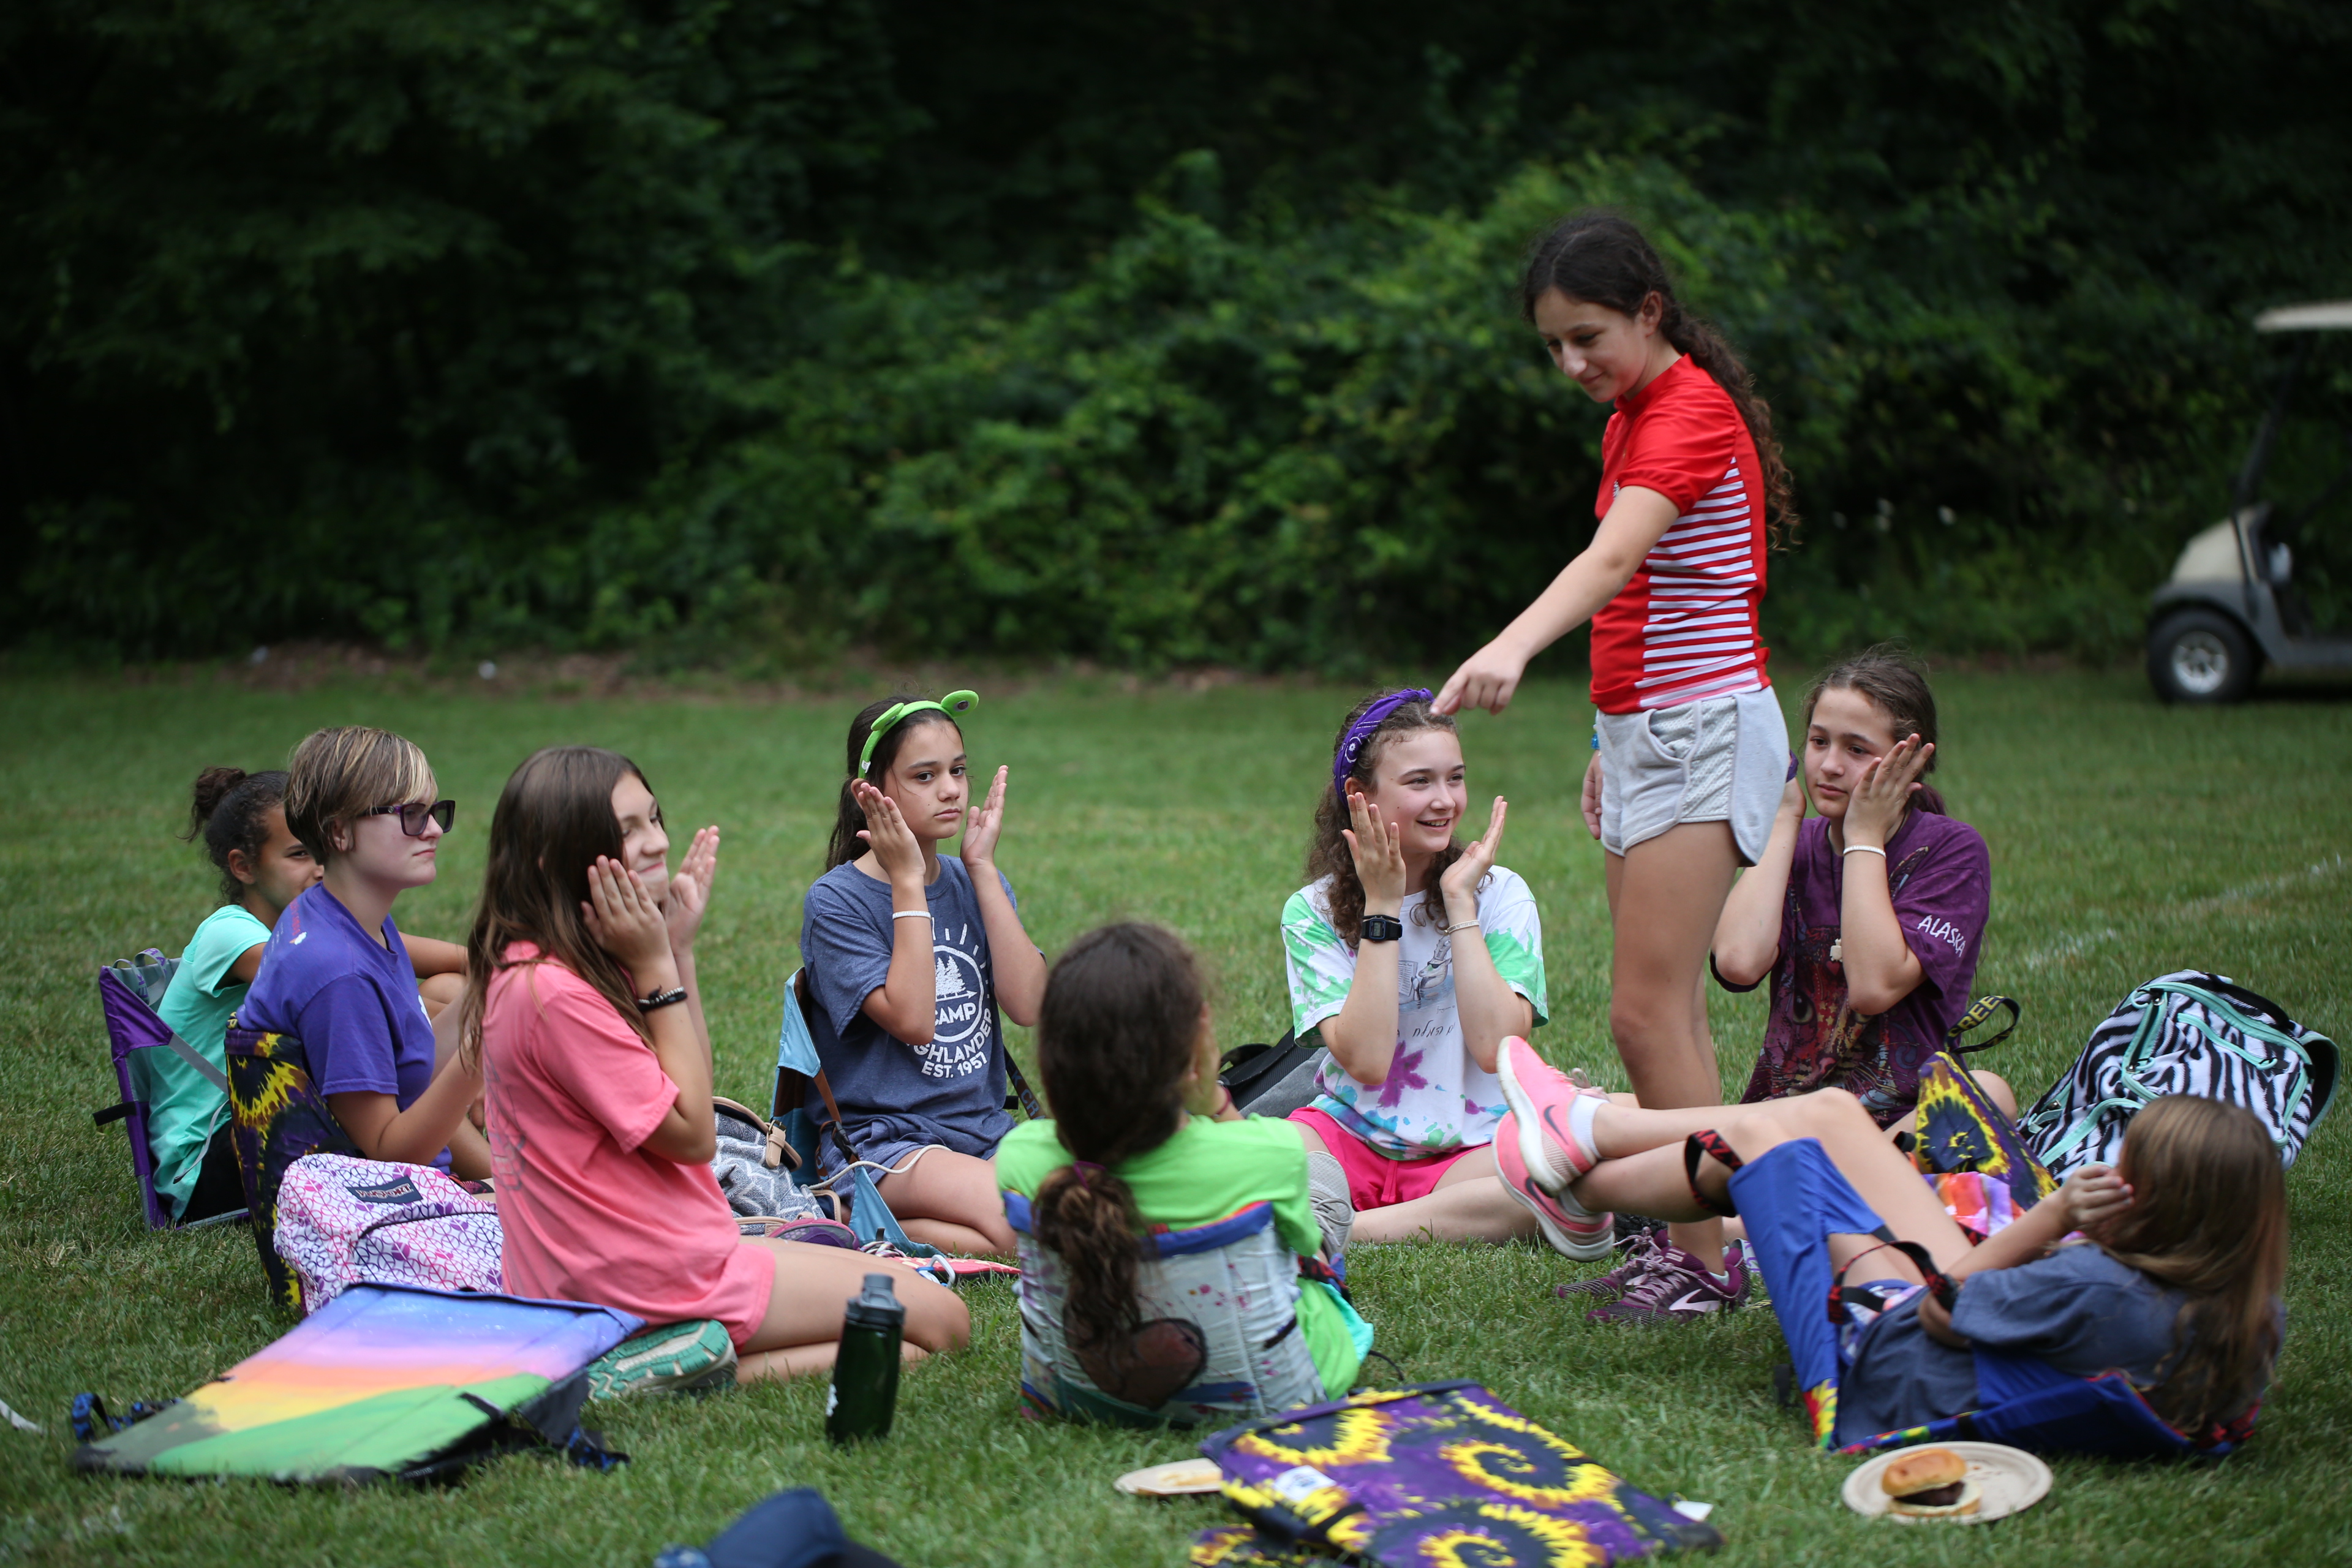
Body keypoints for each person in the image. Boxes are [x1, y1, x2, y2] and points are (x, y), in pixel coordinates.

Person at [1436, 211, 1798, 1318]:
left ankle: (1706, 1255)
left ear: (1650, 312)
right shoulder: (1634, 414)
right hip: (1651, 732)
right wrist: (1608, 739)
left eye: (1587, 337)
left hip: (1703, 729)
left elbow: (1611, 560)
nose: (1571, 363)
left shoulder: (1687, 410)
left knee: (1643, 1015)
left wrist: (1511, 646)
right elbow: (1644, 595)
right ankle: (1712, 1241)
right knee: (1664, 1011)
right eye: (1553, 345)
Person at [469, 746, 968, 1390]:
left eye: (655, 818)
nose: (657, 842)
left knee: (900, 1308)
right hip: (634, 1281)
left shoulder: (550, 964)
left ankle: (691, 1360)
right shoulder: (551, 993)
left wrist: (675, 951)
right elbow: (693, 1136)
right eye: (628, 830)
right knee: (940, 1322)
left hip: (634, 1259)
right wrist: (656, 969)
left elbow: (689, 1089)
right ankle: (637, 1364)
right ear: (553, 857)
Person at [1495, 1042, 2284, 1449]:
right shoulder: (2243, 1311)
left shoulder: (2097, 1286)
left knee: (1776, 1139)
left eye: (2124, 1172)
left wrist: (2049, 1221)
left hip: (1883, 1360)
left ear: (2154, 1202)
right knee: (1832, 1116)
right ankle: (1581, 1163)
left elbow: (1944, 1309)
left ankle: (1585, 1159)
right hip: (1957, 1347)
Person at [995, 923, 1366, 1415]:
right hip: (1284, 1389)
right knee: (1322, 1174)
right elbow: (1306, 1251)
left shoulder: (1020, 1158)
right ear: (1196, 1043)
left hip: (1077, 1395)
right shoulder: (1268, 1153)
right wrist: (1216, 1103)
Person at [1280, 688, 1578, 1249]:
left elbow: (1496, 1049)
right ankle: (1415, 1216)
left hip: (1471, 1148)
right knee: (1265, 1160)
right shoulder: (1310, 911)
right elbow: (1368, 1061)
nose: (1445, 801)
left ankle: (1349, 1227)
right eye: (1420, 782)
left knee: (1549, 1179)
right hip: (1346, 1139)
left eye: (1455, 779)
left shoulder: (1500, 894)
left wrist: (1460, 903)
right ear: (1359, 794)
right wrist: (1382, 908)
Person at [1712, 646, 2006, 1126]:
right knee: (1621, 1107)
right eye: (1819, 741)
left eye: (1856, 750)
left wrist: (1865, 836)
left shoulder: (1952, 851)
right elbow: (1738, 963)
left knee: (1989, 1093)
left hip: (1900, 1120)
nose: (1829, 765)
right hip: (1787, 1115)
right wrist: (1784, 818)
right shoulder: (1795, 844)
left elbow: (1873, 987)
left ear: (1908, 761)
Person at [800, 692, 1046, 1255]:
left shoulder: (972, 881)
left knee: (1094, 1192)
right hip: (885, 1144)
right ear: (869, 794)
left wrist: (982, 869)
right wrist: (908, 882)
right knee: (1032, 1225)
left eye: (958, 771)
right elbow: (914, 1021)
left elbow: (1030, 1005)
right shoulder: (836, 903)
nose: (952, 789)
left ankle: (868, 1221)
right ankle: (856, 1208)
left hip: (985, 1132)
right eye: (925, 776)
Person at [238, 726, 489, 1178]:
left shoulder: (333, 915)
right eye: (412, 814)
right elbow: (388, 1153)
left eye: (434, 812)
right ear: (339, 832)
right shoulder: (339, 972)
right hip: (388, 1202)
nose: (434, 830)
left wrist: (494, 989)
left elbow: (413, 1067)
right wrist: (478, 1057)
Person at [152, 768, 322, 1221]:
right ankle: (477, 1178)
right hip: (206, 1165)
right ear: (243, 867)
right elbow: (325, 979)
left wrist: (473, 966)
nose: (322, 869)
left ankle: (465, 1172)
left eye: (328, 849)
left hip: (263, 1133)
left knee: (448, 992)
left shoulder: (308, 930)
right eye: (301, 853)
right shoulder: (228, 933)